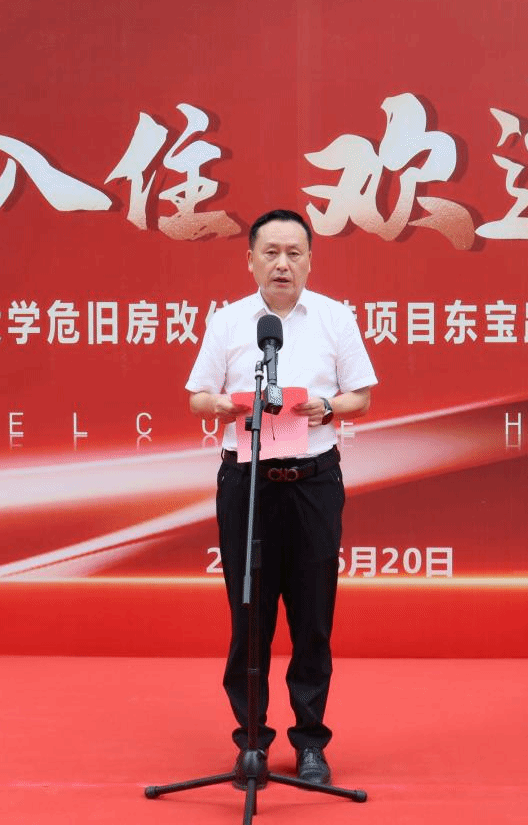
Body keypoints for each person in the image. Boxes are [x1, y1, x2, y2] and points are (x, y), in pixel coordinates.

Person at [185, 208, 377, 788]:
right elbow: (197, 396)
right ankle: (252, 743)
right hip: (247, 483)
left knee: (313, 618)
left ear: (310, 261)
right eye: (270, 253)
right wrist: (225, 405)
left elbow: (361, 396)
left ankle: (311, 743)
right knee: (250, 618)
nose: (282, 264)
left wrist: (327, 407)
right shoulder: (228, 322)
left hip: (313, 480)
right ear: (250, 260)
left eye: (294, 253)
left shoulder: (335, 318)